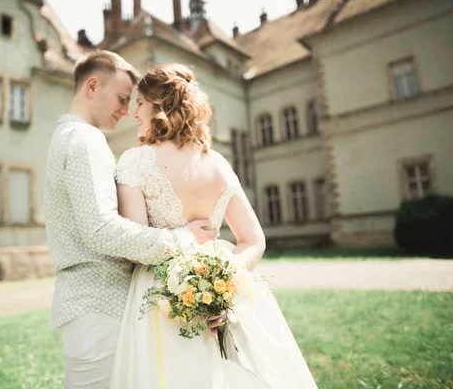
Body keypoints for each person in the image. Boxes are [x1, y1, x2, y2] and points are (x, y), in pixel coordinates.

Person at [110, 63, 317, 388]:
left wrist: (205, 283)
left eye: (140, 103)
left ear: (159, 106)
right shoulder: (218, 164)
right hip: (219, 307)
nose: (134, 113)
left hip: (158, 299)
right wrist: (220, 284)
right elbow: (253, 240)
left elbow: (137, 247)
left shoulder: (134, 162)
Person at [44, 51, 219, 389]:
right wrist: (183, 239)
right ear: (92, 85)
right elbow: (101, 229)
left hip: (90, 307)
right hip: (99, 308)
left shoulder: (67, 136)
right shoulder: (85, 139)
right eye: (123, 99)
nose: (126, 111)